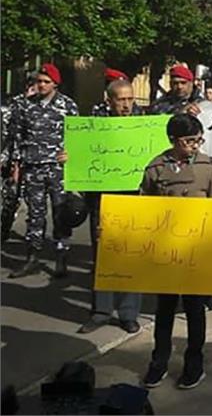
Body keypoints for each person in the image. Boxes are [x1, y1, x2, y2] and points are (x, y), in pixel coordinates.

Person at [141, 114, 212, 390]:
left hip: (197, 252)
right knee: (164, 310)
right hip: (165, 251)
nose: (195, 145)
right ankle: (158, 362)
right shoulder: (155, 167)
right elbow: (142, 207)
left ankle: (194, 364)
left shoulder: (208, 167)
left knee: (195, 310)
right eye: (189, 141)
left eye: (198, 140)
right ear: (173, 140)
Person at [78, 79, 144, 335]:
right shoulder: (94, 125)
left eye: (130, 99)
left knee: (132, 257)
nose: (126, 105)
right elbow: (82, 154)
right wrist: (69, 157)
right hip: (103, 200)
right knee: (103, 257)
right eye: (121, 99)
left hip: (135, 200)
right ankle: (101, 311)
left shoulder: (145, 123)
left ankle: (128, 314)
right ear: (109, 101)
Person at [8, 64, 78, 278]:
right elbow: (18, 136)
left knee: (60, 213)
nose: (41, 85)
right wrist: (16, 165)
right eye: (38, 81)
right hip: (33, 167)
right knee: (35, 214)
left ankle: (61, 257)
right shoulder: (26, 105)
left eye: (46, 82)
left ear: (55, 84)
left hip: (58, 169)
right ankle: (32, 257)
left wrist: (72, 156)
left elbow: (78, 137)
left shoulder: (67, 106)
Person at [1, 73, 35, 244]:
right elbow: (10, 135)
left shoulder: (51, 106)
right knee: (11, 198)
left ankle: (33, 238)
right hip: (13, 158)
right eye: (32, 84)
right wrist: (11, 161)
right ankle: (4, 231)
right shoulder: (15, 104)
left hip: (36, 161)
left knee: (34, 203)